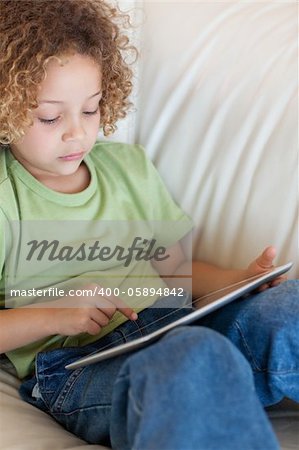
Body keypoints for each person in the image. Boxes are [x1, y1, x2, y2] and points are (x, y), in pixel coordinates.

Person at [0, 1, 298, 449]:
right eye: (49, 117)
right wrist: (56, 315)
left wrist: (240, 281)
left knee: (287, 313)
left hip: (176, 321)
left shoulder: (128, 168)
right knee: (192, 360)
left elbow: (177, 273)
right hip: (81, 367)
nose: (77, 133)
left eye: (91, 109)